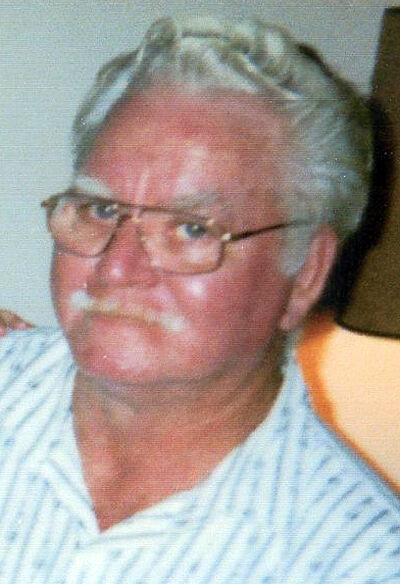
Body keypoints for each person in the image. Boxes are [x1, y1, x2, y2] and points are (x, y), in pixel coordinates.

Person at [0, 16, 399, 584]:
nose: (117, 268)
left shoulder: (359, 562)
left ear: (306, 274)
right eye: (101, 209)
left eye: (191, 229)